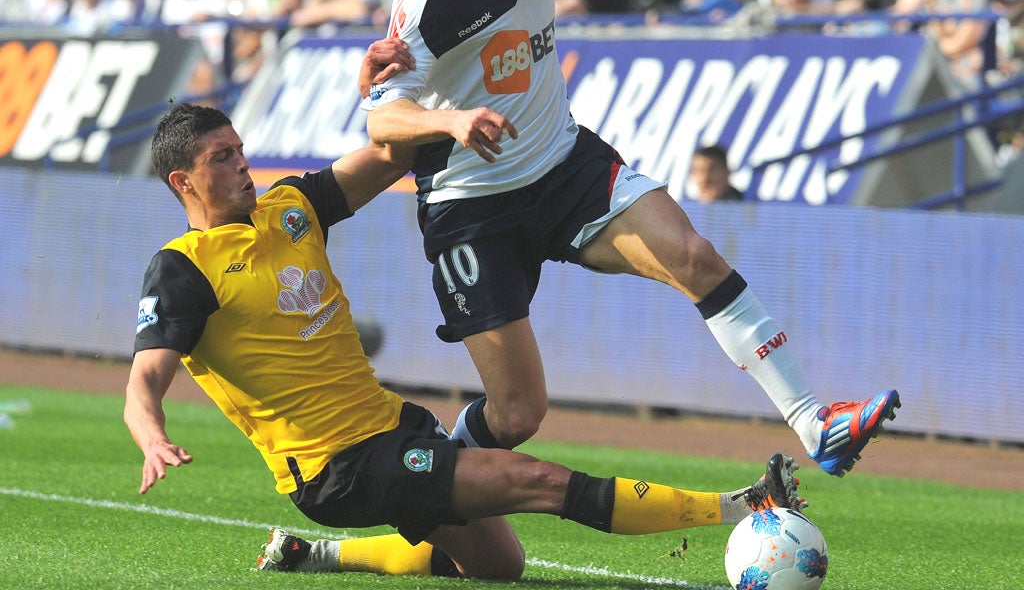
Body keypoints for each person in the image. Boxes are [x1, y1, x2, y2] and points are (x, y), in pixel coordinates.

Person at [360, 0, 900, 477]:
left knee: (693, 255)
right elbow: (381, 122)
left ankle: (816, 422)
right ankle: (431, 479)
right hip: (472, 207)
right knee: (518, 415)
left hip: (563, 166)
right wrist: (448, 125)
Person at [124, 94, 805, 580]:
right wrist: (152, 435)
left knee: (499, 568)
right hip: (336, 468)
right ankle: (739, 505)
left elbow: (393, 153)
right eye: (223, 158)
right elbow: (145, 379)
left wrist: (448, 113)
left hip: (394, 428)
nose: (243, 164)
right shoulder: (183, 267)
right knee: (535, 479)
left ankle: (315, 557)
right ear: (185, 180)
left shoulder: (292, 208)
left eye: (242, 149)